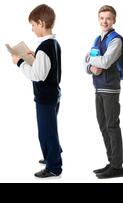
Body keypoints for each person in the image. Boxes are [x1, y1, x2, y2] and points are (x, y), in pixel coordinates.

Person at [11, 4, 63, 178]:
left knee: (46, 131)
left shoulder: (44, 48)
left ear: (41, 23)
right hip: (53, 94)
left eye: (33, 25)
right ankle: (52, 155)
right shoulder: (53, 44)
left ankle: (54, 167)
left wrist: (20, 62)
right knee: (50, 128)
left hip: (45, 97)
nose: (32, 29)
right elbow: (47, 68)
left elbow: (37, 75)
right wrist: (34, 57)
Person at [85, 5, 123, 179]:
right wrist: (91, 67)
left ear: (114, 20)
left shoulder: (116, 40)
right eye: (102, 18)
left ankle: (117, 167)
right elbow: (88, 63)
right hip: (98, 88)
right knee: (103, 126)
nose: (105, 21)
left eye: (108, 18)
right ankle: (111, 162)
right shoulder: (97, 39)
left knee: (112, 126)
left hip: (110, 88)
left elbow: (107, 61)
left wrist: (92, 61)